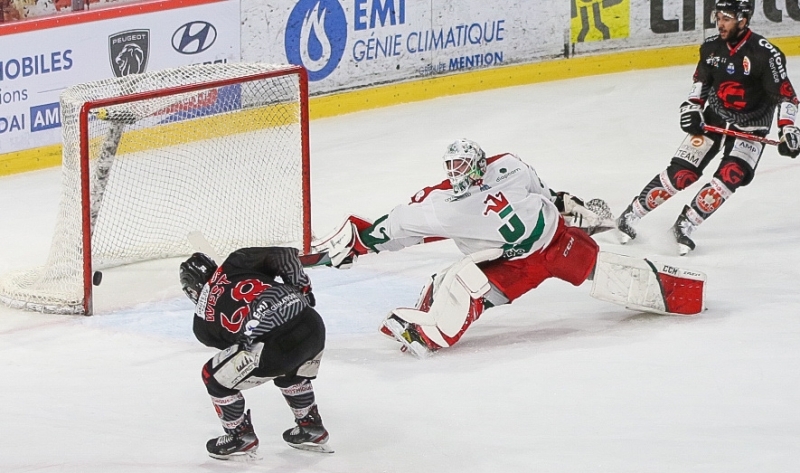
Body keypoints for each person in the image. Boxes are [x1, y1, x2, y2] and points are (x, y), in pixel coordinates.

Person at [312, 138, 617, 358]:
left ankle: (664, 286)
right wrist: (362, 243)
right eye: (451, 166)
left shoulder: (510, 167)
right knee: (461, 283)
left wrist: (570, 206)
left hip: (557, 240)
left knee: (606, 272)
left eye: (462, 165)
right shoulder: (442, 205)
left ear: (479, 164)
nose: (456, 172)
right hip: (513, 265)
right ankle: (430, 330)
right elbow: (400, 224)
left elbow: (543, 193)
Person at [615, 0, 799, 255]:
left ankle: (685, 225)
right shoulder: (711, 48)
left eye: (727, 18)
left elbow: (786, 96)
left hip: (753, 124)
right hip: (715, 115)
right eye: (718, 17)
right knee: (682, 173)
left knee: (732, 173)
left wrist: (788, 128)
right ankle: (630, 216)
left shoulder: (766, 55)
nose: (720, 23)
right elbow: (700, 84)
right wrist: (690, 108)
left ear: (743, 20)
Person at [179, 247, 332, 460]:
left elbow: (242, 352)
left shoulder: (201, 325)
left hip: (276, 346)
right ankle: (310, 426)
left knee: (213, 377)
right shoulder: (236, 262)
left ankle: (239, 436)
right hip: (312, 325)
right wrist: (301, 287)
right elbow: (286, 255)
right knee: (292, 369)